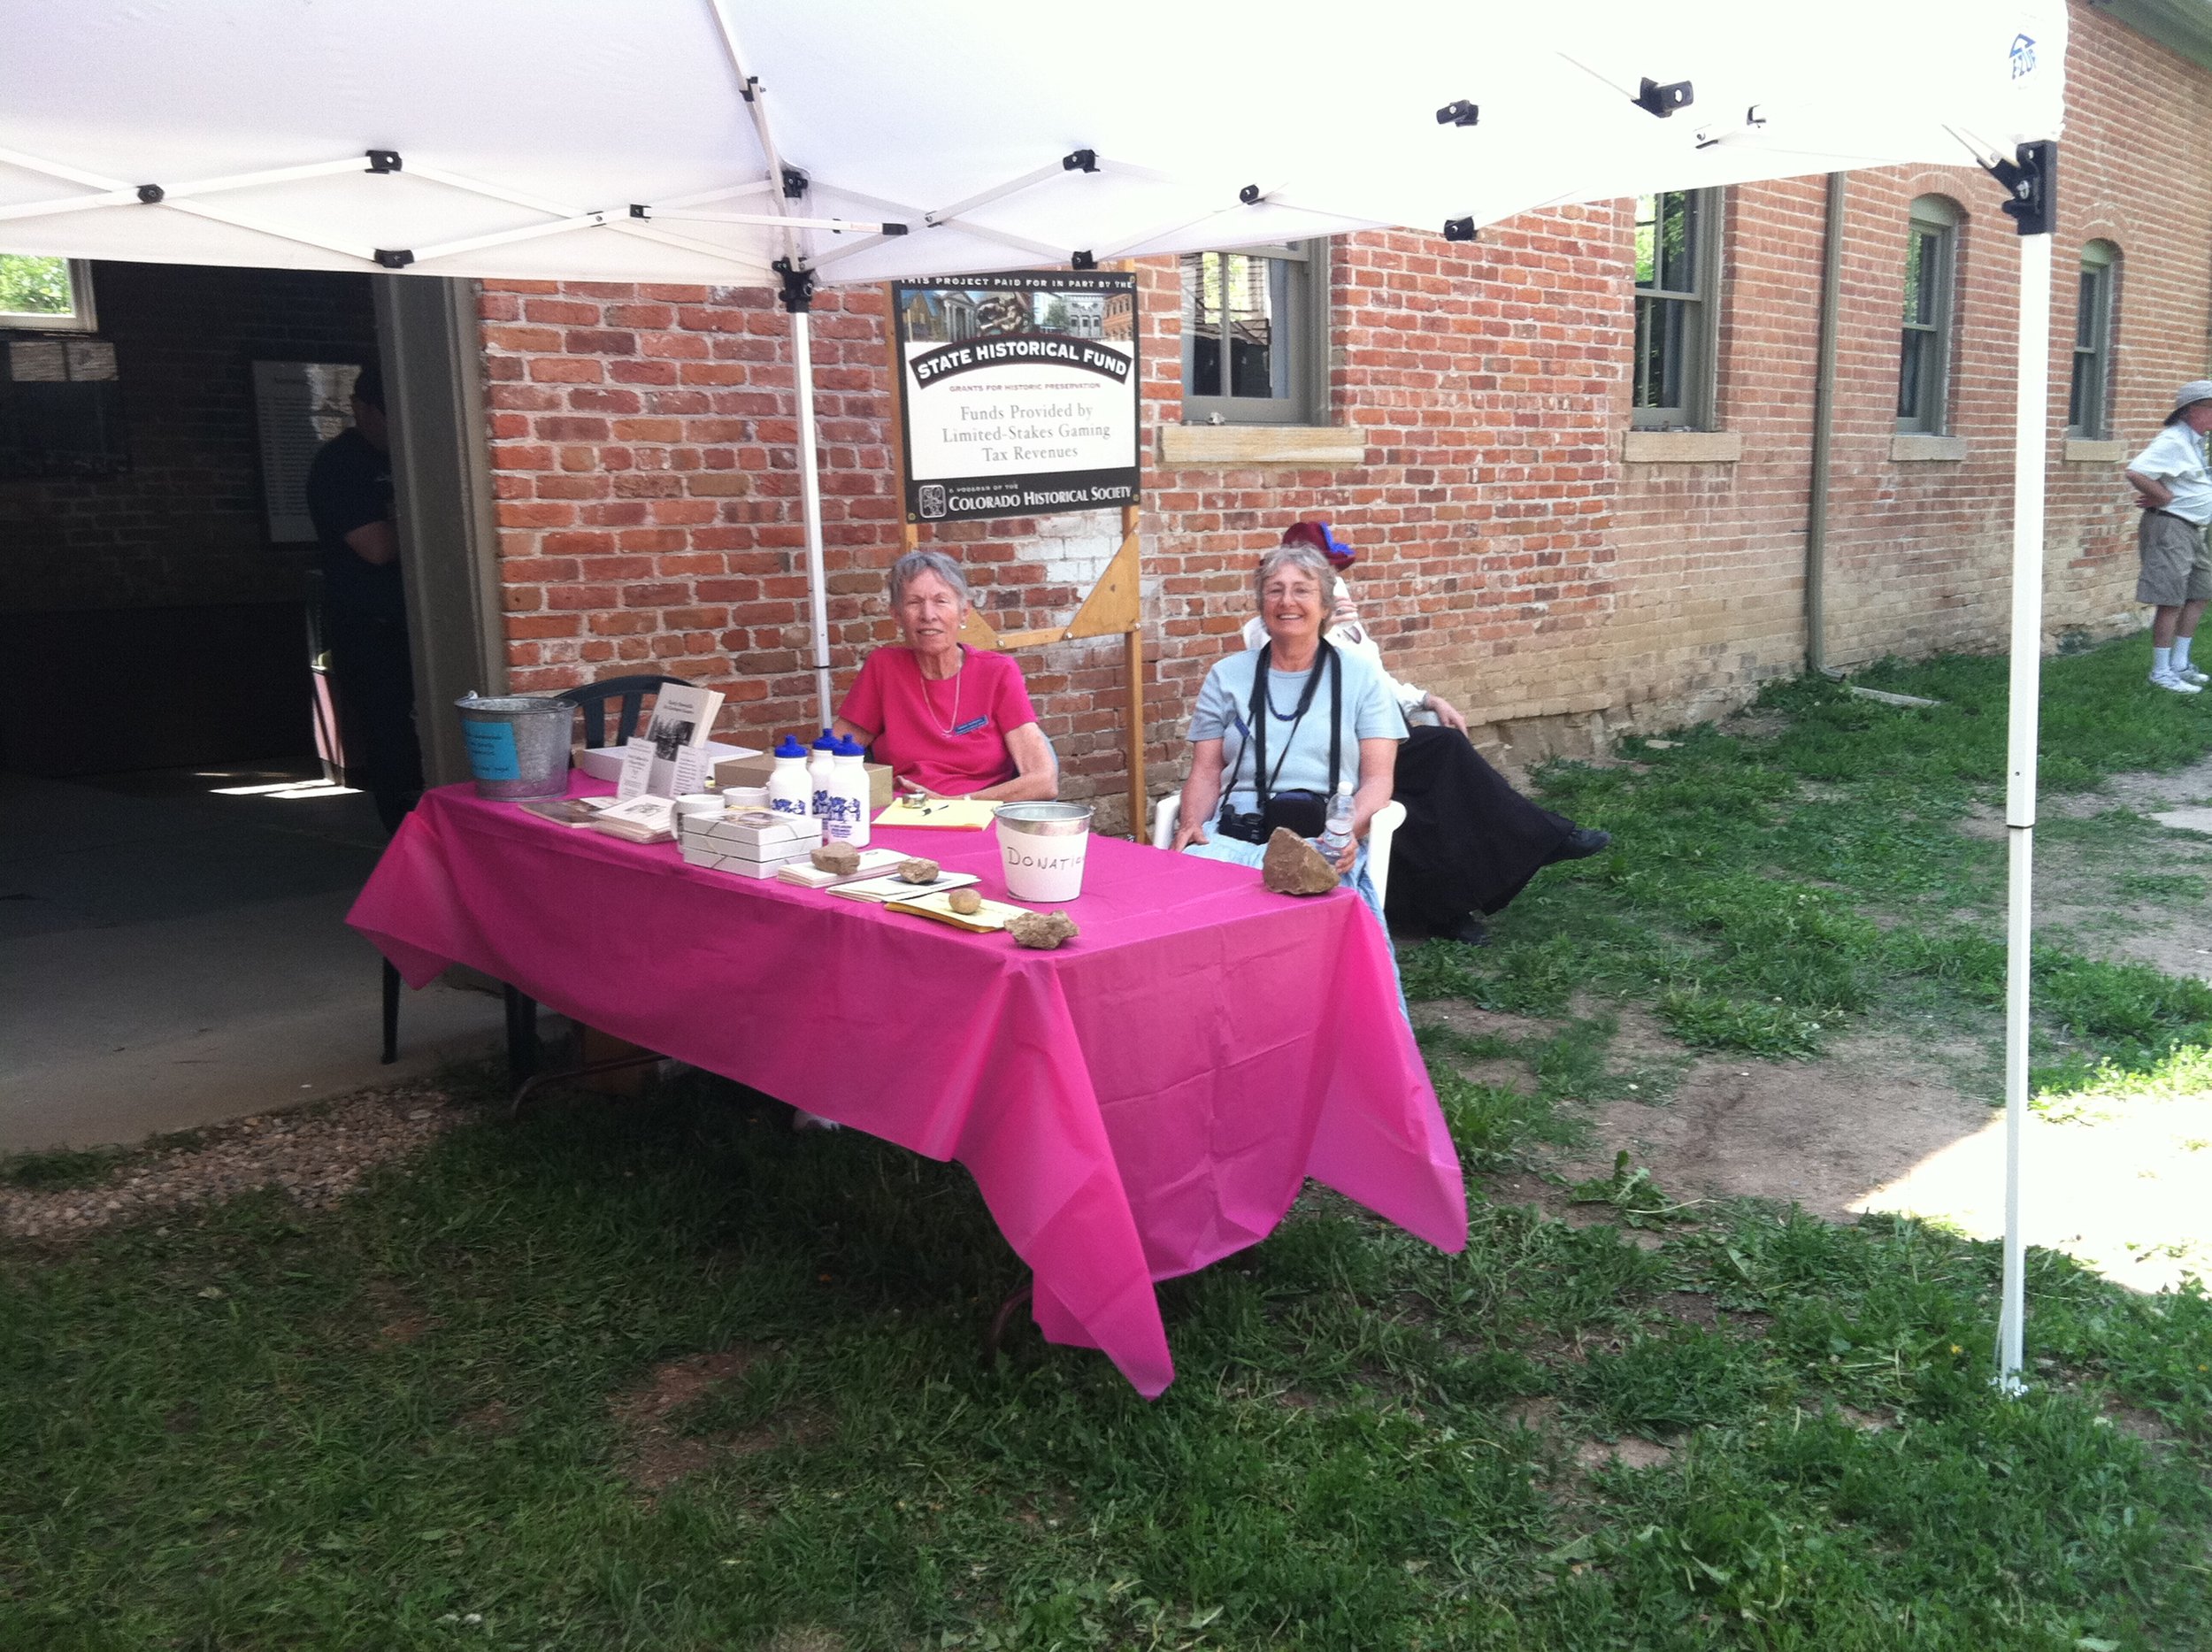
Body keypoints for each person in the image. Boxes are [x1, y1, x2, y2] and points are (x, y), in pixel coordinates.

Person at [1241, 521, 1610, 947]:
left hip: (1372, 734)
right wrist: (1331, 633)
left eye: (1315, 578)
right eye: (1286, 584)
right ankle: (1527, 850)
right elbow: (1303, 684)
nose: (1297, 594)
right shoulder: (1262, 631)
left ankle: (1516, 855)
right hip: (1323, 749)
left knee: (1445, 753)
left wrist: (1425, 699)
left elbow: (1373, 680)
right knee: (1413, 797)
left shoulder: (1341, 613)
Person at [1172, 539, 1405, 942]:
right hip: (1233, 835)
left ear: (1326, 606)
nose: (1287, 601)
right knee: (1187, 911)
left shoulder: (1363, 677)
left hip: (1320, 838)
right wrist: (1192, 824)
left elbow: (1379, 781)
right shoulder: (1225, 676)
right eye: (1275, 589)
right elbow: (1207, 770)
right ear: (1261, 605)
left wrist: (1346, 835)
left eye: (1302, 589)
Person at [833, 549, 1058, 800]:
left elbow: (1044, 782)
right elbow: (835, 752)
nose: (928, 615)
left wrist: (956, 804)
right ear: (896, 615)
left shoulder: (997, 672)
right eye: (914, 602)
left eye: (941, 601)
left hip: (981, 816)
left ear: (964, 612)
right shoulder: (884, 667)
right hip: (905, 813)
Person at [304, 360, 423, 834]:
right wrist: (423, 511)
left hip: (416, 625)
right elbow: (376, 548)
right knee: (391, 742)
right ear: (361, 409)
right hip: (370, 628)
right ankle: (405, 850)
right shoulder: (340, 466)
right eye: (391, 415)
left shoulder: (413, 457)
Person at [2122, 380, 2212, 694]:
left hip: (2194, 528)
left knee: (2199, 593)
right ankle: (2161, 673)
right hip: (2171, 527)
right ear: (2191, 410)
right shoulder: (2173, 440)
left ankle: (2180, 664)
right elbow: (2136, 471)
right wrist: (2161, 496)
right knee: (2171, 599)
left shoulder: (2197, 441)